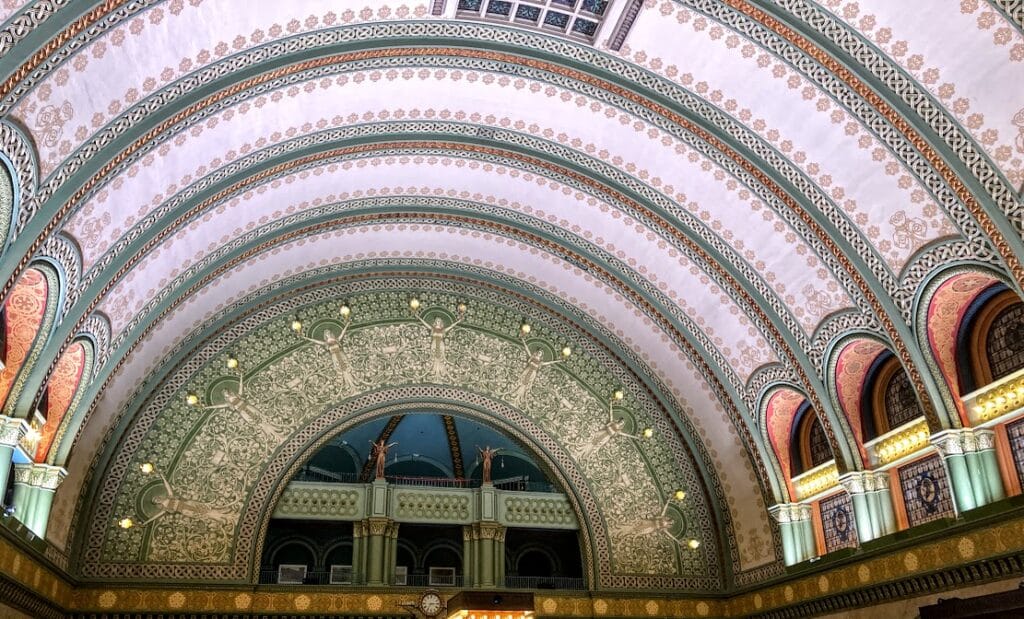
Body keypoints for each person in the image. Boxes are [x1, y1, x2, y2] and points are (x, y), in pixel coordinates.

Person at [413, 305, 465, 380]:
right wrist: (419, 318)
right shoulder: (432, 329)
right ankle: (433, 369)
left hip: (441, 344)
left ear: (441, 323)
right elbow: (425, 324)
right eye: (437, 321)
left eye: (439, 321)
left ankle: (441, 370)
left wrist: (458, 321)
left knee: (441, 356)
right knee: (433, 355)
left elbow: (451, 326)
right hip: (434, 343)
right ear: (435, 322)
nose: (438, 322)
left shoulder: (443, 330)